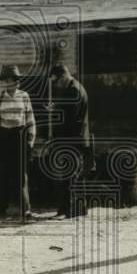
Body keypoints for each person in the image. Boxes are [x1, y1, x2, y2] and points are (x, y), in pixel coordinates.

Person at [0, 65, 36, 219]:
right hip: (4, 138)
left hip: (20, 137)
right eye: (6, 81)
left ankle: (25, 209)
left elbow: (30, 120)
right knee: (4, 174)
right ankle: (2, 208)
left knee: (21, 174)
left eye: (12, 80)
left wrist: (30, 141)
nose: (9, 84)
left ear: (17, 82)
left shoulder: (24, 96)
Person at [48, 64, 91, 218]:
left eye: (56, 81)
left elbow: (68, 119)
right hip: (75, 139)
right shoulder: (74, 88)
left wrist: (54, 112)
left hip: (71, 139)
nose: (56, 84)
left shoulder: (73, 91)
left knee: (70, 176)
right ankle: (75, 209)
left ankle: (70, 210)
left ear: (64, 76)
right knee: (72, 175)